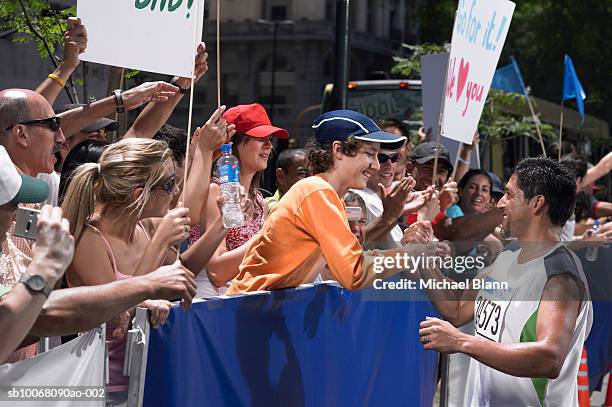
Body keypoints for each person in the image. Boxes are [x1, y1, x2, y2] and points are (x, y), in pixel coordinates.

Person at [61, 138, 228, 399]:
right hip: (106, 387)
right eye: (170, 184)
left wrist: (222, 224)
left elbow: (182, 270)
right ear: (139, 195)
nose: (175, 193)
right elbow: (118, 311)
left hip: (151, 373)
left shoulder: (145, 226)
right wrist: (160, 242)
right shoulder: (88, 239)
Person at [418, 157, 592, 407]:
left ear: (536, 204)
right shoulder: (507, 257)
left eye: (509, 195)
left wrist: (461, 342)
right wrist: (420, 255)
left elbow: (550, 358)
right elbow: (456, 309)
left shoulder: (560, 275)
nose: (499, 203)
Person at [227, 110, 436, 294]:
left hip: (260, 312)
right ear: (338, 150)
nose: (376, 166)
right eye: (370, 154)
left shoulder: (326, 194)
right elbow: (355, 273)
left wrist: (407, 250)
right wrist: (409, 254)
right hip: (249, 313)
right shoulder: (317, 191)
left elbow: (344, 265)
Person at [193, 103, 289, 296]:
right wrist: (270, 235)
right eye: (260, 138)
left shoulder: (260, 200)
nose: (269, 146)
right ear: (233, 142)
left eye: (269, 139)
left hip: (245, 301)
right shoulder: (215, 191)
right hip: (212, 306)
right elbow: (217, 272)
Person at [265, 148, 311, 215]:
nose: (310, 179)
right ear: (281, 176)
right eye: (302, 173)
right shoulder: (270, 206)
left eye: (313, 174)